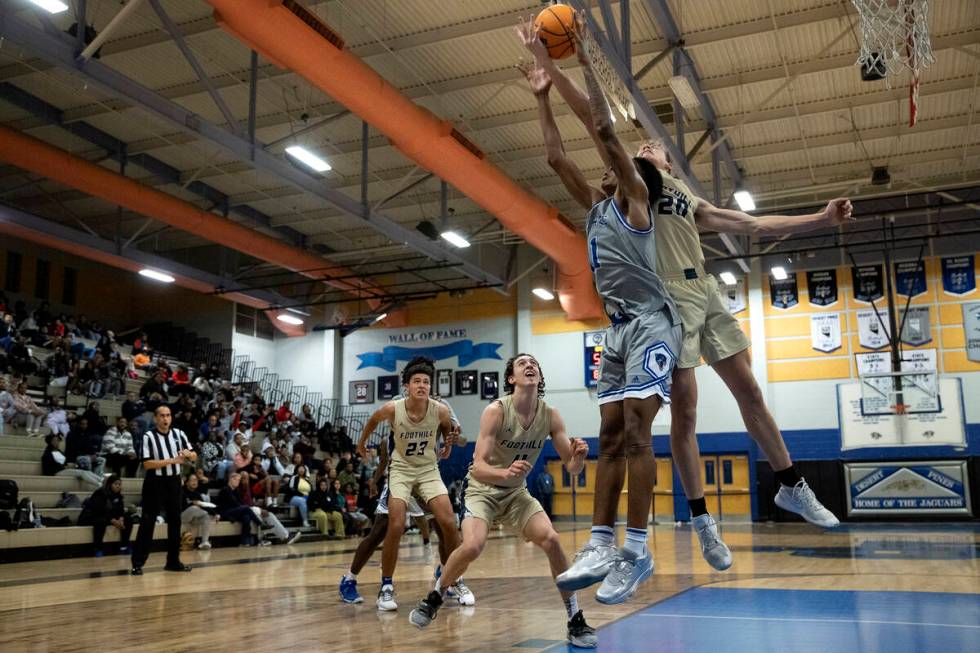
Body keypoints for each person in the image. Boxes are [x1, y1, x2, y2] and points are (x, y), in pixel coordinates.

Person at [521, 14, 844, 576]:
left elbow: (754, 225)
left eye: (656, 146)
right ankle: (702, 521)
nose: (647, 146)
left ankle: (790, 483)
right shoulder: (630, 188)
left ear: (671, 162)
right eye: (641, 144)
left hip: (706, 297)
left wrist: (818, 217)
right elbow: (589, 121)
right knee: (686, 417)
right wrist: (552, 68)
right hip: (661, 307)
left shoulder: (685, 198)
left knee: (751, 394)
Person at [408, 353, 597, 647]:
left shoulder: (551, 415)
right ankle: (435, 595)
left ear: (540, 377)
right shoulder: (496, 411)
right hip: (482, 489)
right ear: (511, 378)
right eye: (522, 364)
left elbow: (571, 468)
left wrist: (579, 458)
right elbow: (478, 465)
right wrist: (505, 471)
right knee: (472, 545)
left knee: (551, 539)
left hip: (516, 494)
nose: (530, 366)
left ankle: (575, 618)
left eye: (534, 363)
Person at [356, 355, 458, 611]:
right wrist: (360, 444)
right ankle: (386, 587)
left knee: (448, 522)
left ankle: (453, 579)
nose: (422, 385)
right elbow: (371, 421)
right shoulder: (392, 408)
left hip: (427, 469)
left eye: (426, 382)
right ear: (407, 386)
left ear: (430, 387)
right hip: (401, 470)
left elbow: (447, 429)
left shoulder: (441, 409)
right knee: (396, 523)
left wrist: (447, 443)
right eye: (417, 381)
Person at [130, 404, 196, 576]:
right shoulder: (148, 436)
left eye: (168, 415)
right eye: (162, 416)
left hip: (174, 482)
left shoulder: (179, 434)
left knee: (175, 522)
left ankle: (173, 561)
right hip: (155, 483)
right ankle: (137, 563)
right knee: (147, 522)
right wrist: (172, 460)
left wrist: (189, 455)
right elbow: (147, 463)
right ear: (155, 418)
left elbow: (194, 454)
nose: (165, 419)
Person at [78, 474, 135, 557]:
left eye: (119, 484)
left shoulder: (119, 496)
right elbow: (99, 511)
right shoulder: (100, 493)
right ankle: (98, 548)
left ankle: (124, 546)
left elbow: (121, 511)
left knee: (128, 519)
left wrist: (121, 519)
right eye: (115, 484)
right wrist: (114, 521)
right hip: (92, 517)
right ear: (109, 484)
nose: (118, 486)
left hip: (109, 518)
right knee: (101, 521)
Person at [181, 474, 216, 550]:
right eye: (192, 480)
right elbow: (180, 507)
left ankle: (204, 542)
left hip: (194, 517)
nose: (195, 482)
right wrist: (192, 503)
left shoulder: (197, 494)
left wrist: (215, 514)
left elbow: (204, 506)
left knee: (206, 516)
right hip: (183, 516)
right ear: (187, 483)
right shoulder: (182, 492)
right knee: (194, 508)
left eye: (196, 480)